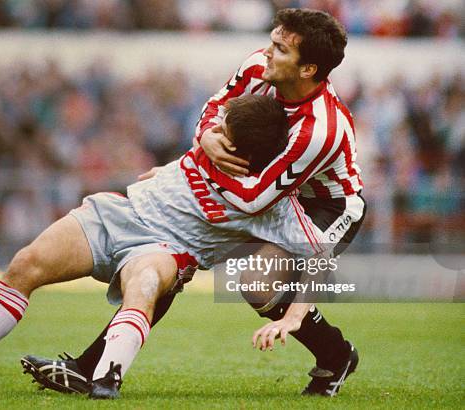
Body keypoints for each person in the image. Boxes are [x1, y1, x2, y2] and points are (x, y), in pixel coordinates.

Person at [27, 8, 366, 398]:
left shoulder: (319, 129)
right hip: (270, 192)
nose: (267, 52)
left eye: (280, 49)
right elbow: (213, 110)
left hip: (327, 207)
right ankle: (92, 368)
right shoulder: (260, 66)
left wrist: (186, 177)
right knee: (172, 249)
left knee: (255, 282)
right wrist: (204, 142)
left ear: (308, 70)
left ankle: (336, 355)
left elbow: (254, 199)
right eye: (272, 41)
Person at [0, 95, 294, 399]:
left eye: (222, 131)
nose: (213, 132)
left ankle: (106, 380)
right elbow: (207, 131)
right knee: (26, 263)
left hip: (167, 248)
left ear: (245, 153)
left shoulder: (266, 198)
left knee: (142, 287)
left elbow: (315, 247)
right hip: (118, 211)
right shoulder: (211, 142)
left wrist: (293, 313)